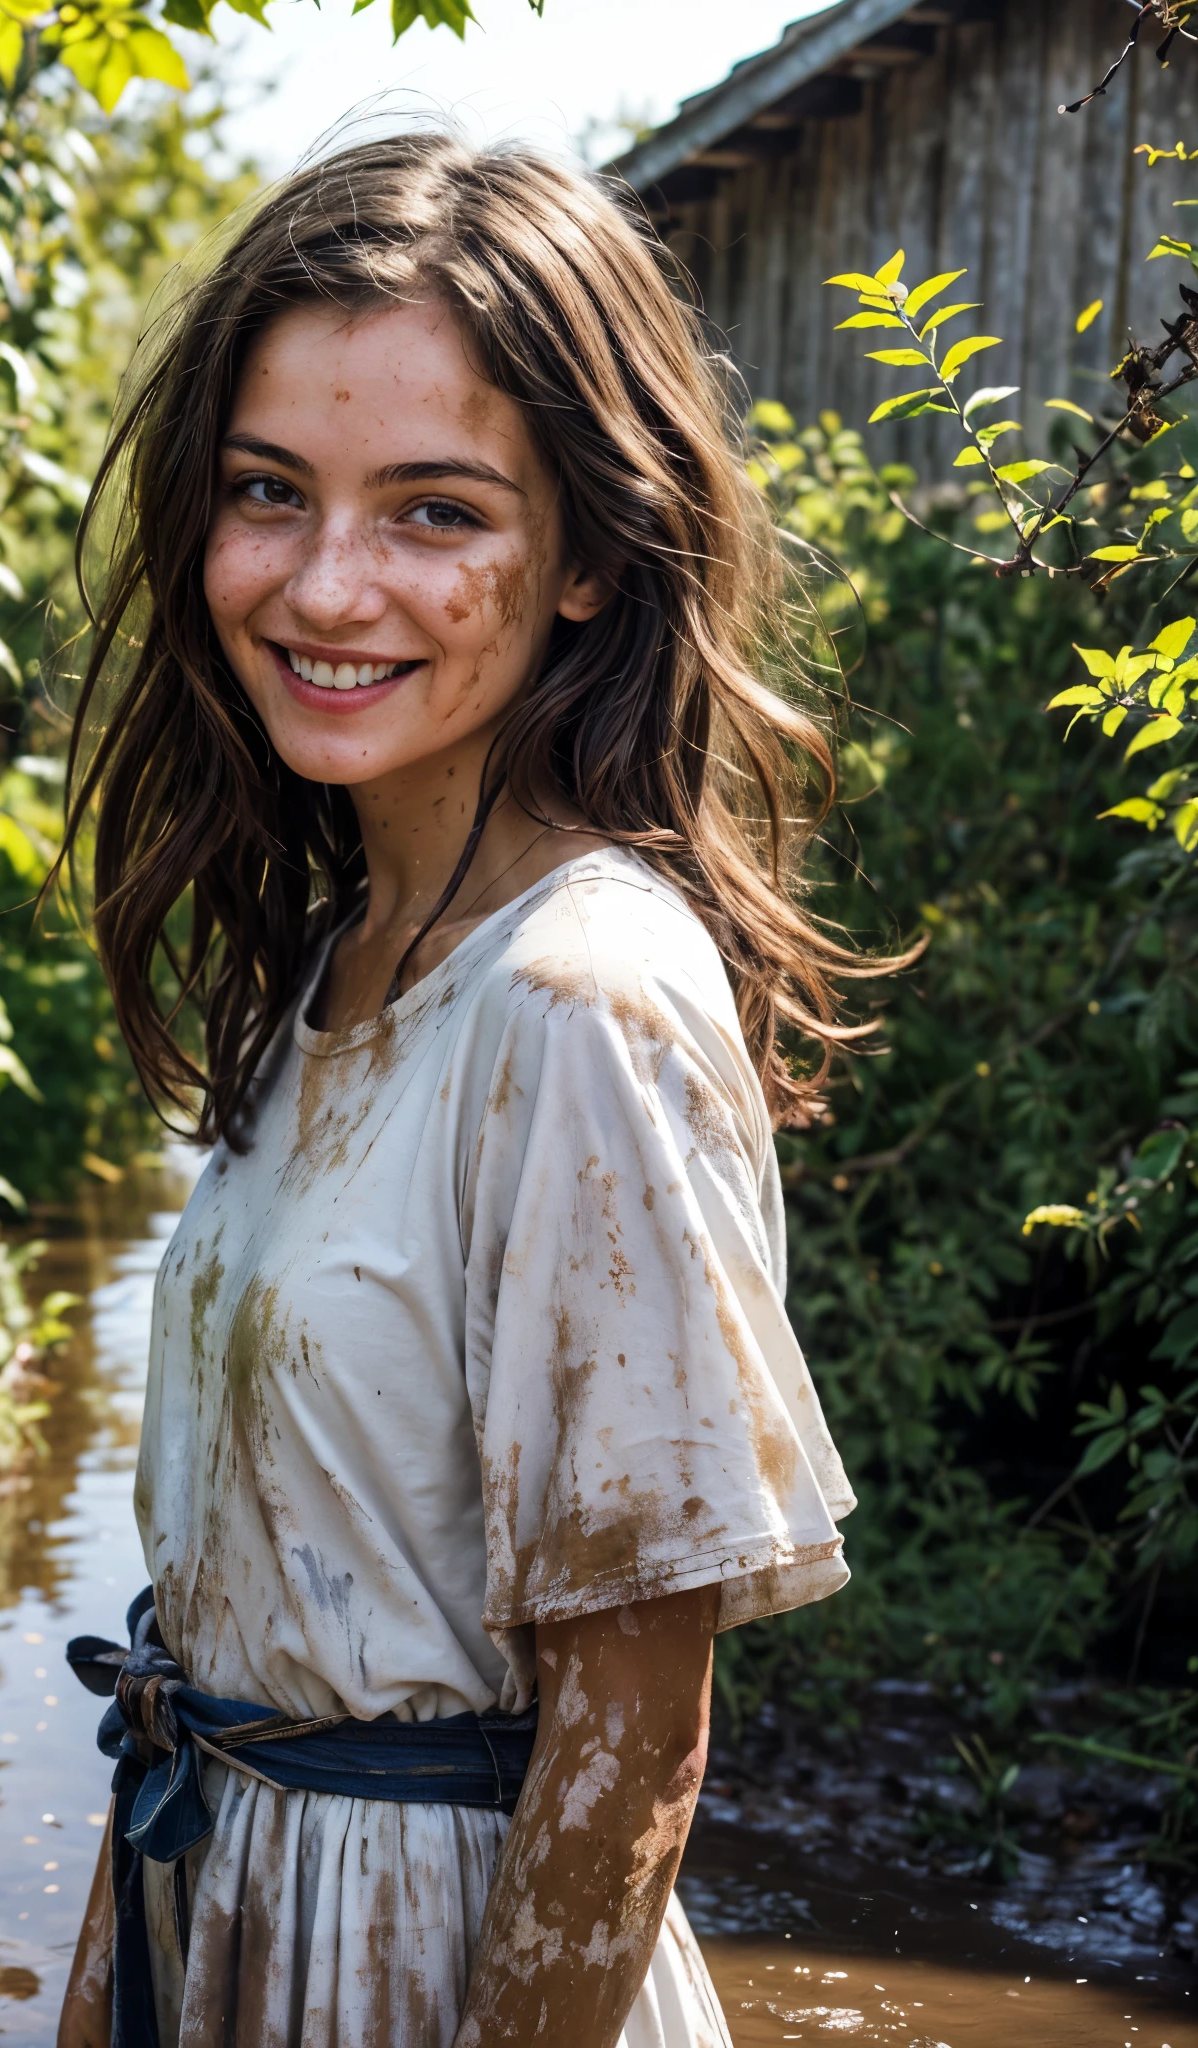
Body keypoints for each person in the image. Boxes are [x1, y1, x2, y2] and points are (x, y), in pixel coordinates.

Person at [53, 128, 872, 2048]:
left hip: (434, 1970)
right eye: (272, 492)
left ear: (591, 553)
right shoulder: (336, 960)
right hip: (226, 1910)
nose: (328, 583)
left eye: (434, 511)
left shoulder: (576, 998)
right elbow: (209, 1626)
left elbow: (634, 1738)